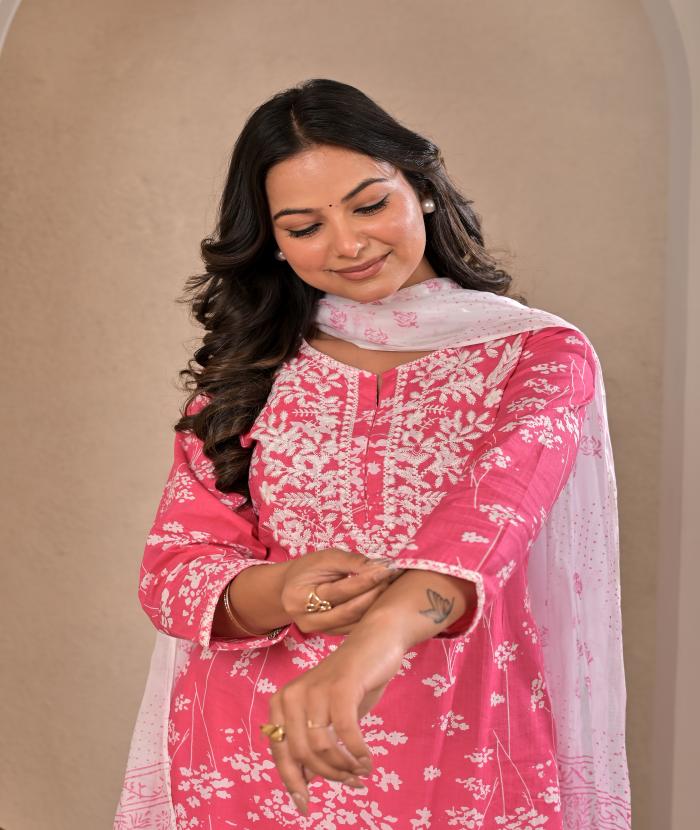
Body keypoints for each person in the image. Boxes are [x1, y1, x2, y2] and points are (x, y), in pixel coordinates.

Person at [114, 78, 630, 829]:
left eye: (368, 205)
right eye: (305, 226)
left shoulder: (538, 356)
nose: (348, 244)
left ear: (422, 189)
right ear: (275, 243)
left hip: (456, 744)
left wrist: (369, 651)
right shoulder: (252, 373)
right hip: (254, 747)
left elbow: (488, 521)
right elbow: (173, 573)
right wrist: (287, 591)